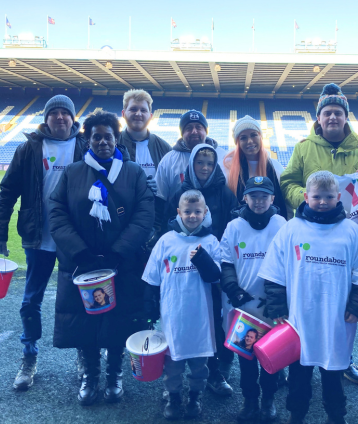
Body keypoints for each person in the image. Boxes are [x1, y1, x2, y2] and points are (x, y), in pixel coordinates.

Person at [259, 171, 358, 424]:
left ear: (339, 198)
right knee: (298, 374)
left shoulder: (351, 231)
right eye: (317, 196)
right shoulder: (291, 229)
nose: (323, 201)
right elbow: (274, 272)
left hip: (336, 321)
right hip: (298, 320)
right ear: (306, 196)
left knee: (333, 373)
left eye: (328, 196)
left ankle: (336, 415)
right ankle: (297, 413)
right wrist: (277, 306)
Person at [49, 110, 154, 406]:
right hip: (81, 263)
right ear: (87, 140)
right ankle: (90, 375)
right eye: (97, 137)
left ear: (116, 138)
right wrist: (79, 251)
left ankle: (113, 374)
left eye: (108, 136)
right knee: (85, 321)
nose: (103, 141)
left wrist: (118, 252)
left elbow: (144, 214)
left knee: (118, 320)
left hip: (120, 264)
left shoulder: (133, 173)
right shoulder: (72, 173)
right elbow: (57, 213)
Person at [280, 83, 358, 385]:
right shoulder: (303, 147)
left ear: (345, 116)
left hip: (350, 234)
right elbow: (287, 182)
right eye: (327, 112)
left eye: (338, 112)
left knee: (345, 298)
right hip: (312, 231)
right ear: (319, 117)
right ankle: (300, 355)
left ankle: (344, 358)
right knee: (309, 295)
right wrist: (310, 201)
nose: (333, 117)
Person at [0, 95, 87, 390]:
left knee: (80, 299)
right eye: (55, 113)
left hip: (74, 239)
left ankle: (84, 356)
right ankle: (29, 357)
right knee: (30, 301)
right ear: (47, 118)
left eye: (66, 112)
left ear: (73, 118)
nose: (60, 117)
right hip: (37, 237)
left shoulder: (85, 147)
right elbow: (7, 191)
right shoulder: (29, 148)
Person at [143, 190, 221, 420]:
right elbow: (151, 278)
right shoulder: (166, 241)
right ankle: (173, 396)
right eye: (187, 211)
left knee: (199, 362)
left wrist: (202, 259)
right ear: (179, 212)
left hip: (200, 317)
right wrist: (149, 307)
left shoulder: (210, 241)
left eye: (198, 211)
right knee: (173, 362)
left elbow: (215, 276)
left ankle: (195, 396)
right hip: (173, 316)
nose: (193, 216)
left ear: (205, 212)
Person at [220, 176, 287, 422]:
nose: (259, 202)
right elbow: (226, 262)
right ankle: (250, 401)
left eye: (264, 196)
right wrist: (233, 290)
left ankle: (268, 401)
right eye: (254, 196)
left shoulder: (281, 224)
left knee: (270, 359)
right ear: (245, 198)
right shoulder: (234, 226)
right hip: (244, 307)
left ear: (272, 198)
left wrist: (281, 300)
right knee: (246, 360)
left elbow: (289, 264)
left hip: (273, 307)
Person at [118, 89, 172, 246]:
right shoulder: (112, 143)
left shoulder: (164, 148)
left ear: (150, 115)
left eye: (143, 110)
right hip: (120, 223)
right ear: (123, 113)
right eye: (133, 109)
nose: (138, 114)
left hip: (154, 224)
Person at [154, 109, 227, 204]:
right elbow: (160, 198)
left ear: (206, 131)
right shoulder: (169, 160)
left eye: (198, 127)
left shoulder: (223, 157)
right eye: (189, 128)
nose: (194, 131)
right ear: (182, 133)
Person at [224, 115, 287, 219]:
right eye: (243, 138)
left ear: (260, 137)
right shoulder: (227, 168)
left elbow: (285, 203)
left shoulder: (276, 168)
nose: (250, 141)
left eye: (253, 135)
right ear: (237, 142)